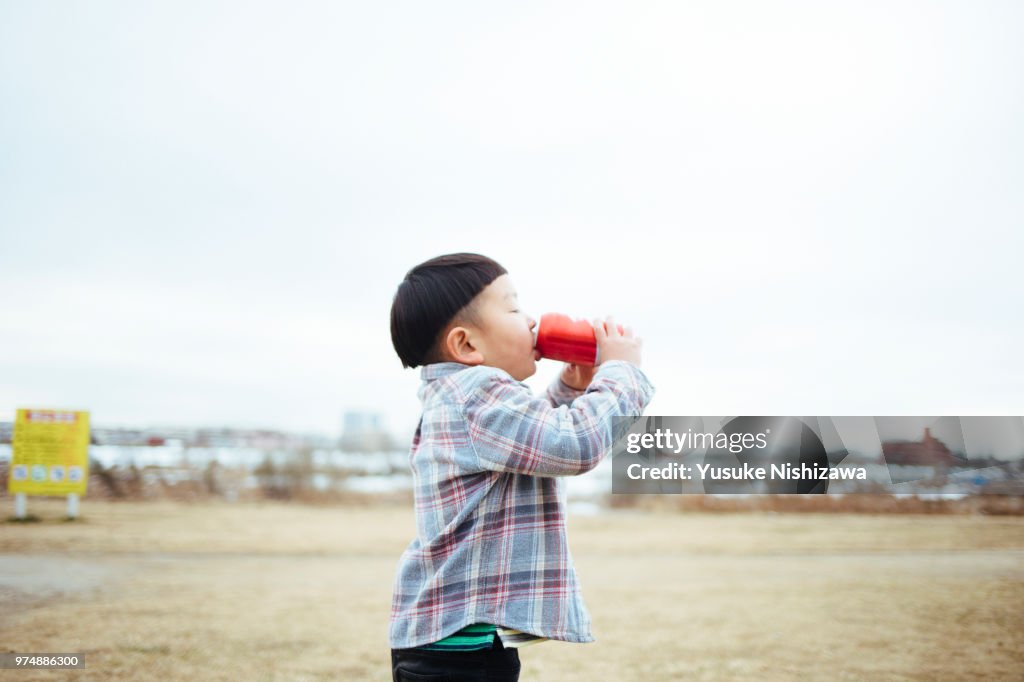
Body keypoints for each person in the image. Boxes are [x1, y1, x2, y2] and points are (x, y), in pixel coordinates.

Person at [388, 253, 655, 681]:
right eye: (513, 308)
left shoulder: (464, 397)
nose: (531, 321)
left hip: (457, 643)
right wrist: (621, 372)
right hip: (457, 654)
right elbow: (572, 444)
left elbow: (532, 448)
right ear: (467, 345)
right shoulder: (474, 394)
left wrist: (570, 388)